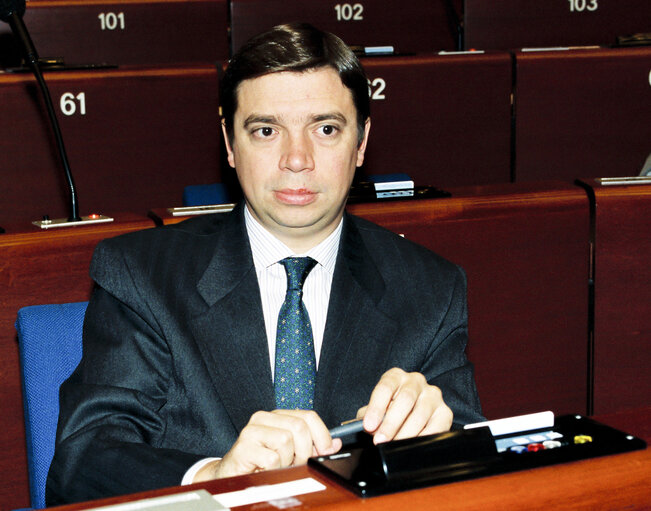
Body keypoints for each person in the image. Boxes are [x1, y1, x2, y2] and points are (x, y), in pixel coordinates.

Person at [46, 22, 483, 505]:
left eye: (326, 128)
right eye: (267, 130)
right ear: (230, 144)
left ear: (361, 143)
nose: (297, 159)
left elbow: (477, 472)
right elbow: (82, 463)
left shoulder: (431, 288)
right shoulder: (141, 274)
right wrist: (211, 478)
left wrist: (437, 445)